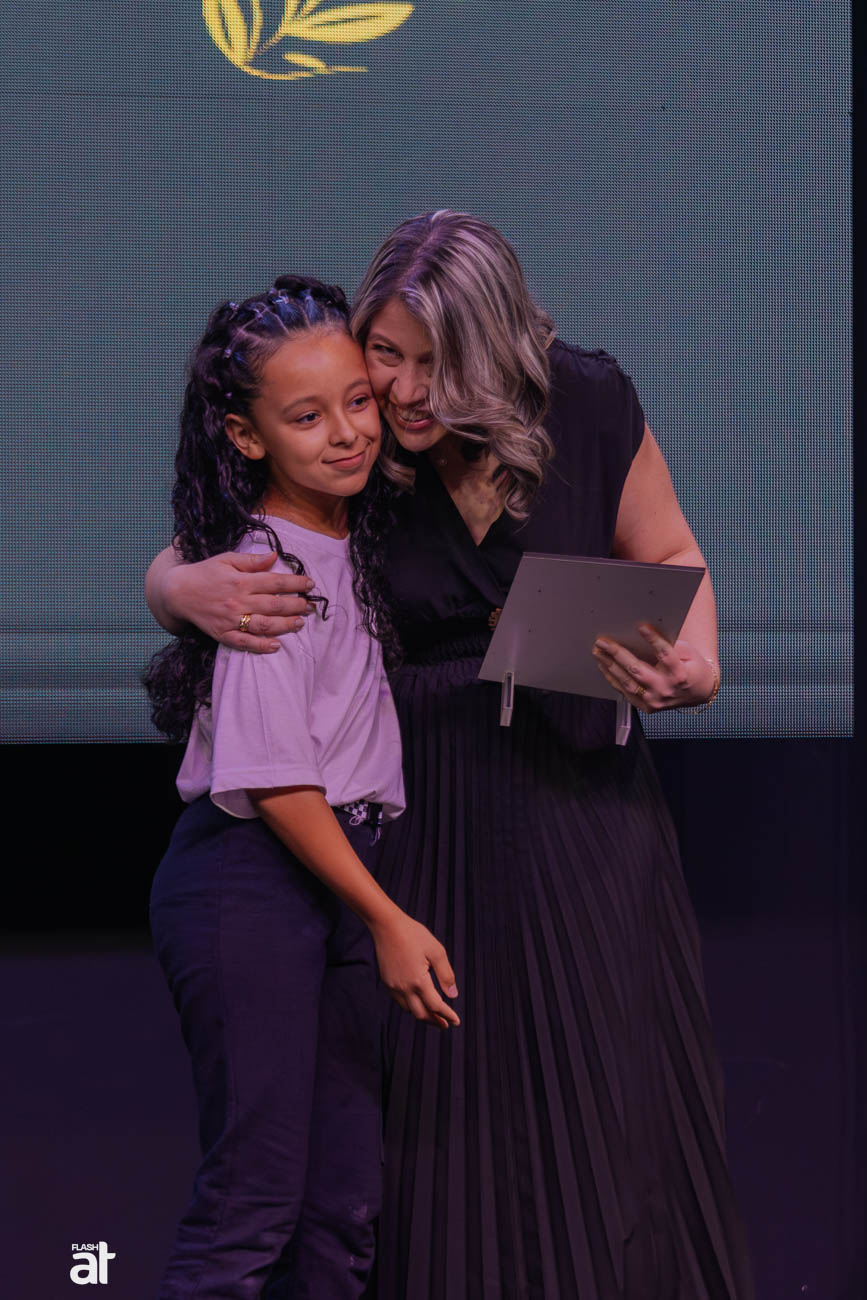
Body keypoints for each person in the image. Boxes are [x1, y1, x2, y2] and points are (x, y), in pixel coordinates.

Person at [146, 215, 754, 1299]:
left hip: (579, 794)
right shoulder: (357, 434)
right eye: (387, 353)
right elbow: (238, 530)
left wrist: (697, 668)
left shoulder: (587, 400)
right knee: (426, 1115)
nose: (404, 389)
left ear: (501, 345)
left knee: (603, 1089)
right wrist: (176, 587)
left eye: (436, 361)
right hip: (420, 808)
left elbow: (668, 553)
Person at [145, 276, 458, 1300]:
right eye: (307, 416)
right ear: (246, 437)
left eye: (357, 401)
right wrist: (386, 918)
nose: (348, 432)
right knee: (254, 1204)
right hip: (254, 875)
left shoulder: (357, 532)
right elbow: (277, 781)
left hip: (333, 874)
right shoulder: (264, 573)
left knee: (340, 1206)